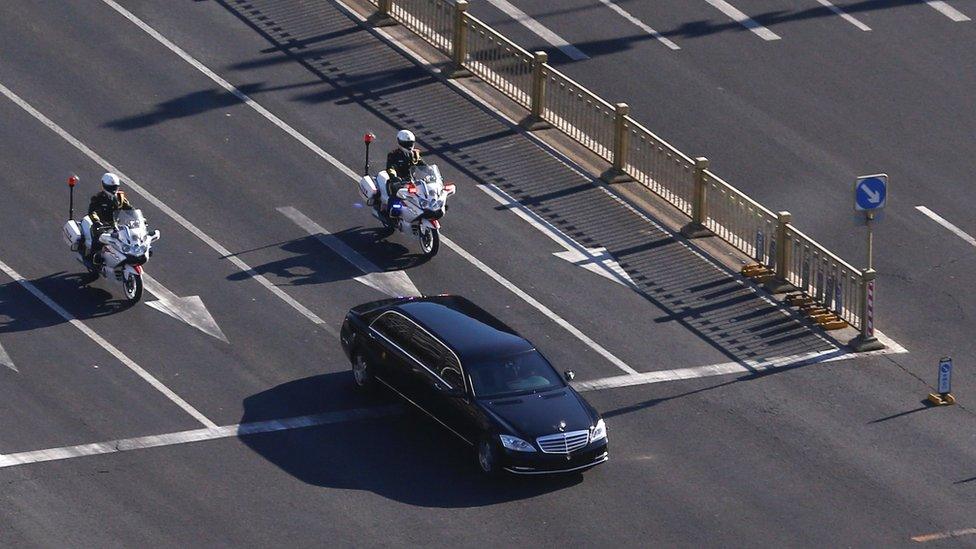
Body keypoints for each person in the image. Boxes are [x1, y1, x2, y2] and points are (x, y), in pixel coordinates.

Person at [84, 173, 133, 264]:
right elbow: (92, 212)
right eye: (110, 188)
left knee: (127, 238)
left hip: (115, 224)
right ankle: (92, 257)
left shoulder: (120, 197)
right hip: (101, 225)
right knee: (98, 239)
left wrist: (137, 218)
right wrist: (97, 222)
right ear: (104, 186)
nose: (113, 190)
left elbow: (129, 208)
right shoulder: (98, 198)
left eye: (115, 187)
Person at [384, 129, 424, 214]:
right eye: (406, 144)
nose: (409, 146)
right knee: (395, 194)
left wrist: (430, 174)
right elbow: (390, 168)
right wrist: (394, 177)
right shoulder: (393, 155)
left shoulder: (415, 154)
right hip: (398, 181)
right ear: (400, 142)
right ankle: (390, 212)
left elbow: (424, 166)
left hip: (412, 180)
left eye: (410, 143)